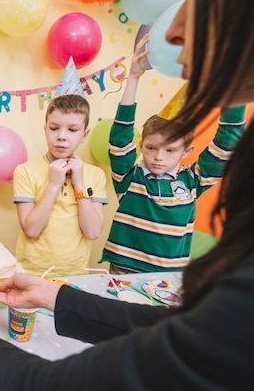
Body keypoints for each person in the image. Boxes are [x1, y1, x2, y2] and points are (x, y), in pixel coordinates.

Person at [0, 0, 254, 388]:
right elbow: (165, 323)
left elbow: (45, 381)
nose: (175, 28)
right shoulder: (37, 172)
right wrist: (49, 294)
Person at [101, 33, 246, 274]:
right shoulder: (130, 178)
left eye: (170, 150)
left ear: (187, 151)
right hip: (124, 271)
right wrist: (134, 78)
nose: (159, 157)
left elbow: (228, 142)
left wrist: (234, 85)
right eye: (151, 148)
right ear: (141, 146)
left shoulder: (192, 181)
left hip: (169, 279)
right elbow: (120, 138)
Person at [13, 94, 108, 277]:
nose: (62, 137)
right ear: (45, 130)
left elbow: (93, 231)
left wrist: (79, 183)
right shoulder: (25, 171)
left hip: (75, 273)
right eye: (54, 128)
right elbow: (31, 230)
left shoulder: (95, 175)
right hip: (32, 273)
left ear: (84, 135)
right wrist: (54, 185)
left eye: (72, 129)